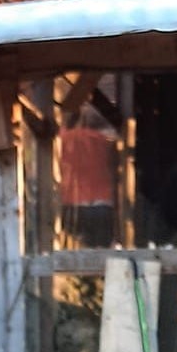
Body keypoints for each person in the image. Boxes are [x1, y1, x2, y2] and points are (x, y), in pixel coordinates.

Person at [58, 105, 117, 248]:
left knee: (74, 252)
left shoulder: (62, 140)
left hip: (73, 202)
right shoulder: (105, 140)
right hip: (103, 202)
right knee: (103, 253)